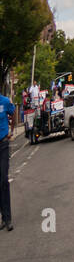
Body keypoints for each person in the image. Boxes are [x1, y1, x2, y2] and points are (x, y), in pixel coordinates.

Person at [0, 89, 14, 231]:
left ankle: (8, 218)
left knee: (4, 179)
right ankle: (3, 217)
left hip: (3, 144)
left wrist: (11, 130)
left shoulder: (4, 101)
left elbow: (12, 111)